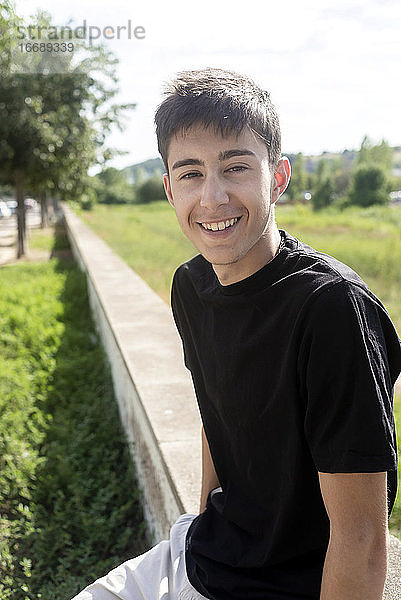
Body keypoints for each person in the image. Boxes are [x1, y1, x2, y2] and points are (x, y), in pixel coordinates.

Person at [73, 68, 401, 600]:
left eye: (236, 168)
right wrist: (206, 521)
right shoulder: (191, 284)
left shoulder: (331, 309)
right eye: (191, 173)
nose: (214, 197)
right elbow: (217, 411)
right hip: (201, 555)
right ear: (168, 188)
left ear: (278, 176)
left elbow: (362, 540)